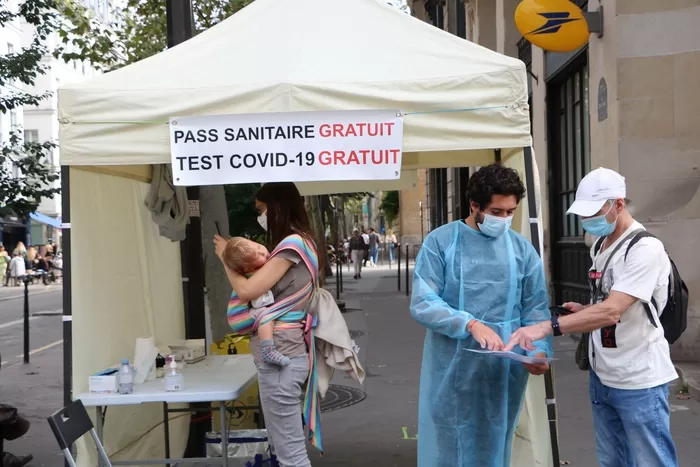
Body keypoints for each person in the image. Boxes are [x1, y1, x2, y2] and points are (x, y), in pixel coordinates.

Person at [507, 167, 679, 467]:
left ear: (619, 204)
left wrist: (549, 327)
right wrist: (586, 311)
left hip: (639, 379)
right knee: (612, 460)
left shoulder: (645, 249)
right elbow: (615, 304)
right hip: (604, 376)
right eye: (584, 214)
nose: (587, 221)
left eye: (594, 212)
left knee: (653, 461)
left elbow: (613, 310)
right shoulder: (601, 245)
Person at [410, 164, 552, 467]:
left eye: (510, 212)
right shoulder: (441, 243)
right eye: (496, 211)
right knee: (451, 443)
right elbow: (424, 301)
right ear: (474, 205)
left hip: (503, 371)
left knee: (497, 443)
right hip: (452, 365)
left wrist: (539, 351)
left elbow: (535, 309)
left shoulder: (522, 250)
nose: (504, 219)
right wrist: (469, 323)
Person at [214, 182, 320, 467]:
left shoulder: (292, 244)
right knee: (284, 447)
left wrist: (227, 258)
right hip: (287, 356)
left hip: (282, 360)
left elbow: (249, 291)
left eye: (262, 209)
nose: (261, 216)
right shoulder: (303, 241)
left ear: (277, 206)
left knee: (290, 455)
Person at [222, 236, 297, 367]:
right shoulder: (255, 274)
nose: (263, 252)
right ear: (248, 269)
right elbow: (258, 302)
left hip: (240, 315)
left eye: (257, 246)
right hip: (240, 318)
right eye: (257, 257)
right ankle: (268, 350)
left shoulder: (252, 272)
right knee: (267, 316)